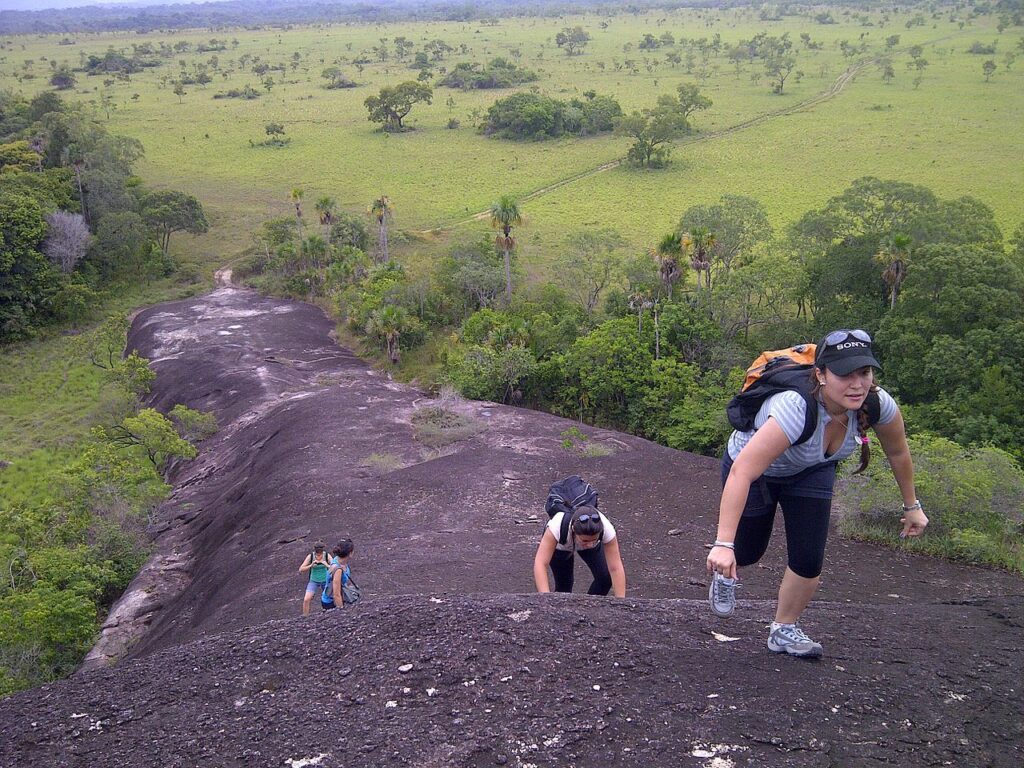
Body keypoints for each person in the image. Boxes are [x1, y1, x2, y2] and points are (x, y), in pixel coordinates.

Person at [706, 329, 928, 658]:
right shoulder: (795, 408)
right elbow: (743, 471)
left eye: (864, 373)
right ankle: (724, 575)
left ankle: (783, 630)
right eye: (844, 374)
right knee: (747, 551)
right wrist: (723, 545)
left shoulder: (877, 404)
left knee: (809, 559)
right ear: (821, 374)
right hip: (756, 472)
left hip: (811, 469)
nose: (857, 384)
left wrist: (912, 506)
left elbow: (898, 452)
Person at [533, 506, 626, 597]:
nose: (589, 544)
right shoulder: (556, 527)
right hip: (561, 546)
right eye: (585, 540)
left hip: (589, 542)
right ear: (573, 529)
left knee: (605, 578)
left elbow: (616, 568)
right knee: (564, 587)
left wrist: (622, 603)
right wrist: (545, 599)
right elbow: (541, 563)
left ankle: (591, 606)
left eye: (594, 539)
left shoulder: (606, 528)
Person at [299, 541, 331, 615]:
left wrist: (326, 565)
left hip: (325, 580)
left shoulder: (326, 555)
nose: (319, 552)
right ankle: (305, 617)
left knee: (328, 599)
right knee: (306, 599)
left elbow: (334, 567)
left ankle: (328, 613)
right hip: (314, 581)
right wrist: (311, 565)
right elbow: (301, 569)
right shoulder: (310, 556)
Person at [324, 539, 356, 610]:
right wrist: (341, 611)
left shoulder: (338, 559)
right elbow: (336, 594)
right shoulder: (338, 570)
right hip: (331, 602)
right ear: (350, 553)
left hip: (339, 595)